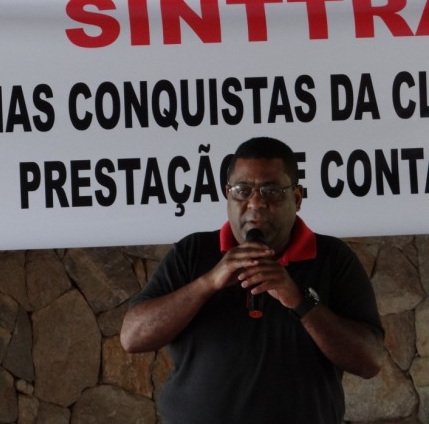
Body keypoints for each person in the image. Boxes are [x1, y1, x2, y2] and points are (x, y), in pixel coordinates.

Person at [120, 137, 384, 424]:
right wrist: (207, 283)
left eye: (271, 192)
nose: (255, 203)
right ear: (227, 195)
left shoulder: (333, 258)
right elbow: (133, 337)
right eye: (242, 191)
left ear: (296, 198)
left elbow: (370, 361)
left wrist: (301, 301)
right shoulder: (192, 252)